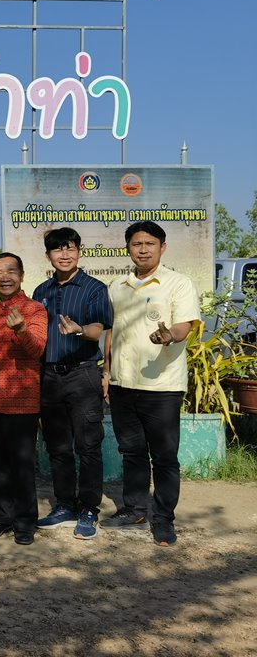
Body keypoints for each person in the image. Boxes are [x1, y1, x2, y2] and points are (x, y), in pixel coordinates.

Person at [103, 221, 201, 547]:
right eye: (136, 244)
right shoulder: (117, 286)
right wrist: (107, 372)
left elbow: (184, 325)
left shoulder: (178, 283)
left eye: (149, 244)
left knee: (164, 456)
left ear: (163, 247)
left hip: (162, 386)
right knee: (131, 452)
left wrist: (169, 335)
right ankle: (134, 511)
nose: (143, 250)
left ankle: (163, 520)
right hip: (123, 383)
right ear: (128, 248)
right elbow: (111, 332)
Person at [32, 227, 113, 540]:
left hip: (82, 374)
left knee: (88, 446)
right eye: (57, 249)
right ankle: (65, 505)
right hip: (49, 376)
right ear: (48, 255)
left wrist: (79, 329)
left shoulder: (94, 288)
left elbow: (98, 330)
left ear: (79, 251)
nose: (64, 255)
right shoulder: (41, 291)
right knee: (58, 447)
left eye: (70, 248)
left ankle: (89, 509)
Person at [0, 253, 48, 545]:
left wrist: (20, 329)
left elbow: (37, 349)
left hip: (22, 401)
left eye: (10, 271)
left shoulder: (35, 309)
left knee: (21, 466)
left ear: (21, 275)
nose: (4, 277)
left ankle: (24, 522)